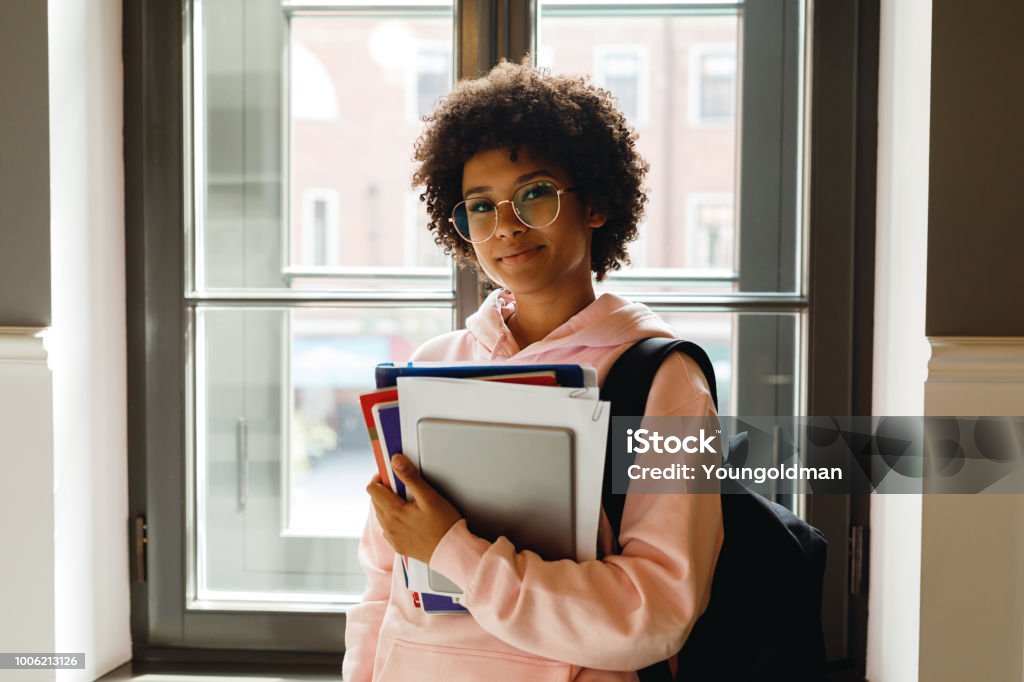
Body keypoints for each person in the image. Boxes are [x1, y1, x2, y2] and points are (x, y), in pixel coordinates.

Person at [342, 58, 724, 682]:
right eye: (481, 206)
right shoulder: (431, 366)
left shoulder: (662, 380)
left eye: (535, 194)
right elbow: (383, 580)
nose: (507, 227)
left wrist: (453, 552)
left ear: (596, 203)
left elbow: (656, 610)